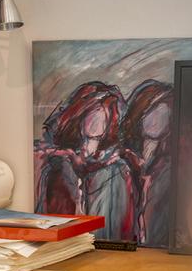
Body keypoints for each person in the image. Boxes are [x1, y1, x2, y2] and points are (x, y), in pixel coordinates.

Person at [34, 80, 134, 239]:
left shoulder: (116, 169)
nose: (97, 119)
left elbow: (120, 225)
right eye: (94, 111)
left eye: (103, 113)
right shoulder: (55, 161)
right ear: (80, 113)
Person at [118, 79, 175, 245]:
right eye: (151, 113)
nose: (157, 120)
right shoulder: (121, 160)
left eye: (164, 114)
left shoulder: (168, 166)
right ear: (139, 113)